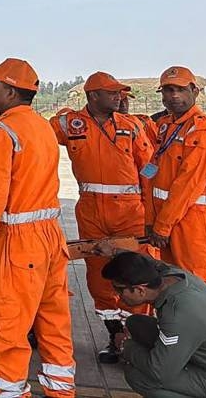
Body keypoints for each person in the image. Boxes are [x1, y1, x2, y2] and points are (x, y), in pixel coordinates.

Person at [0, 58, 76, 398]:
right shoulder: (40, 128)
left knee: (8, 327)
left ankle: (10, 392)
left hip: (18, 242)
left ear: (10, 91)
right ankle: (61, 390)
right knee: (53, 321)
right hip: (50, 236)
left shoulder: (1, 131)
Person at [50, 72, 154, 363]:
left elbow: (149, 168)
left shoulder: (131, 126)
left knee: (136, 273)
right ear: (93, 96)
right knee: (98, 276)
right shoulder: (70, 124)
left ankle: (137, 338)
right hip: (91, 211)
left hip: (131, 212)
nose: (119, 98)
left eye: (119, 93)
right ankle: (115, 335)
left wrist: (151, 209)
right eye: (112, 93)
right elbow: (35, 133)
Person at [143, 66, 206, 295]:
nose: (174, 95)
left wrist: (162, 226)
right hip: (168, 222)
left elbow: (189, 183)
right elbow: (153, 176)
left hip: (195, 225)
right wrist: (151, 220)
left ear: (194, 91)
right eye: (168, 90)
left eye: (180, 89)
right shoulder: (167, 126)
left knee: (199, 286)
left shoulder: (202, 130)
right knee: (173, 282)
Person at [101, 251, 206, 397]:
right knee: (135, 323)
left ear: (140, 290)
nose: (117, 295)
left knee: (139, 377)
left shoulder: (178, 314)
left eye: (119, 290)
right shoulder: (171, 275)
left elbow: (159, 371)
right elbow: (148, 262)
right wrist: (114, 250)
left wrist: (125, 346)